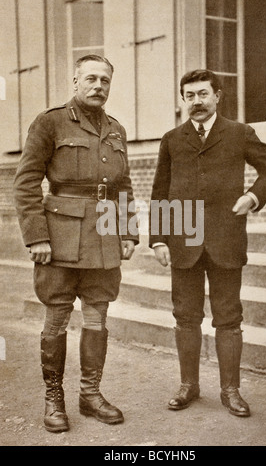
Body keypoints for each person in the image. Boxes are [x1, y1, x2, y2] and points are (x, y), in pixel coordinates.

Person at [149, 69, 266, 417]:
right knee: (185, 317)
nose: (196, 101)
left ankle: (230, 391)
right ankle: (188, 386)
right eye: (190, 95)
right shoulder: (171, 138)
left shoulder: (240, 133)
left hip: (226, 239)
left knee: (228, 318)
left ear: (218, 95)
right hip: (184, 240)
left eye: (203, 94)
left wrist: (252, 198)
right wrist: (158, 239)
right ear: (183, 99)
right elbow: (160, 190)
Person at [13, 54, 138, 432]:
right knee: (57, 316)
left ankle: (90, 394)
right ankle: (54, 399)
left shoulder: (116, 129)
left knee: (98, 315)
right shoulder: (50, 122)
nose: (98, 86)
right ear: (75, 81)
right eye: (91, 79)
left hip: (103, 237)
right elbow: (26, 182)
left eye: (105, 81)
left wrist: (129, 231)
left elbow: (123, 186)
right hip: (61, 238)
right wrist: (37, 236)